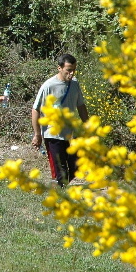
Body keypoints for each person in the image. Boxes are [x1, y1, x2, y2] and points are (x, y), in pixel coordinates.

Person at [31, 53, 89, 187]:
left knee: (77, 165)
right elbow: (35, 109)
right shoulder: (48, 86)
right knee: (60, 169)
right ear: (59, 68)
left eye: (74, 69)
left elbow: (81, 105)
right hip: (52, 133)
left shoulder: (74, 84)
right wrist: (37, 134)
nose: (72, 73)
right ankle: (59, 192)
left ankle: (57, 186)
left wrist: (88, 126)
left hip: (70, 133)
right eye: (68, 70)